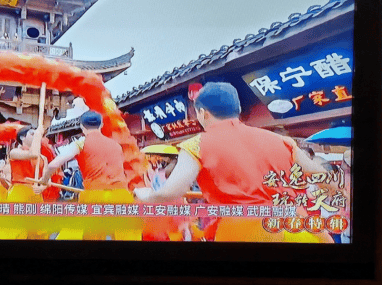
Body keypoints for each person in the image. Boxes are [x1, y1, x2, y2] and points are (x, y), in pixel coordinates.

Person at [133, 82, 333, 243]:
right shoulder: (282, 141)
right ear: (237, 109)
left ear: (202, 113)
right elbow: (323, 176)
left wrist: (145, 194)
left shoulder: (196, 145)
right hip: (301, 229)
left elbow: (169, 192)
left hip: (247, 232)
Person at [38, 110, 130, 203]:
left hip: (97, 196)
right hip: (122, 196)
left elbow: (53, 165)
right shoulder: (116, 145)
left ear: (82, 126)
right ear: (101, 125)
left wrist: (45, 179)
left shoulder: (81, 143)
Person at [8, 125, 49, 201]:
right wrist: (37, 134)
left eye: (37, 135)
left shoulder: (43, 158)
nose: (36, 137)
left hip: (35, 194)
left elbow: (47, 179)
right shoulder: (14, 152)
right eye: (32, 134)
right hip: (19, 194)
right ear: (22, 137)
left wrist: (42, 187)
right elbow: (33, 154)